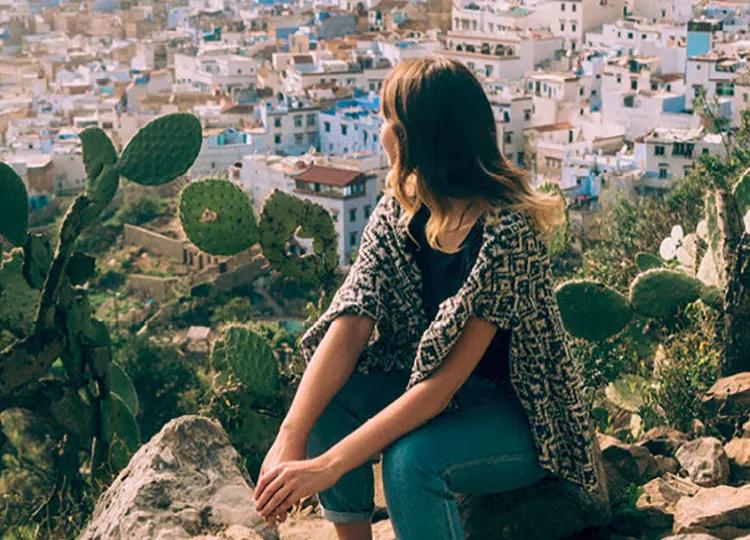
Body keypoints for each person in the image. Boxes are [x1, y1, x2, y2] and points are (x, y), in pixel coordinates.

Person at [253, 57, 603, 540]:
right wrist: (290, 436)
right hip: (440, 394)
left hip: (517, 415)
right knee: (328, 402)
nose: (380, 133)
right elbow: (351, 321)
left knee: (409, 463)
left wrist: (327, 467)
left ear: (415, 135)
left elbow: (441, 386)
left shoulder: (508, 233)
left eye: (387, 121)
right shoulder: (400, 210)